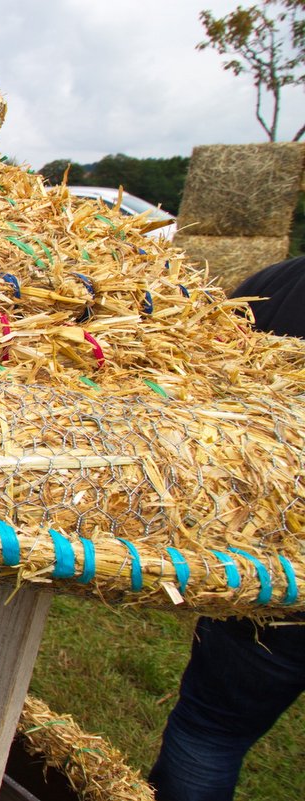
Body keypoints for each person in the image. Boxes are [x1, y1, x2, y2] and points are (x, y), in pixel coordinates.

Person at [148, 254, 305, 801]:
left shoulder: (275, 285)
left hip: (271, 561)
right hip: (273, 566)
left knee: (210, 733)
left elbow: (196, 402)